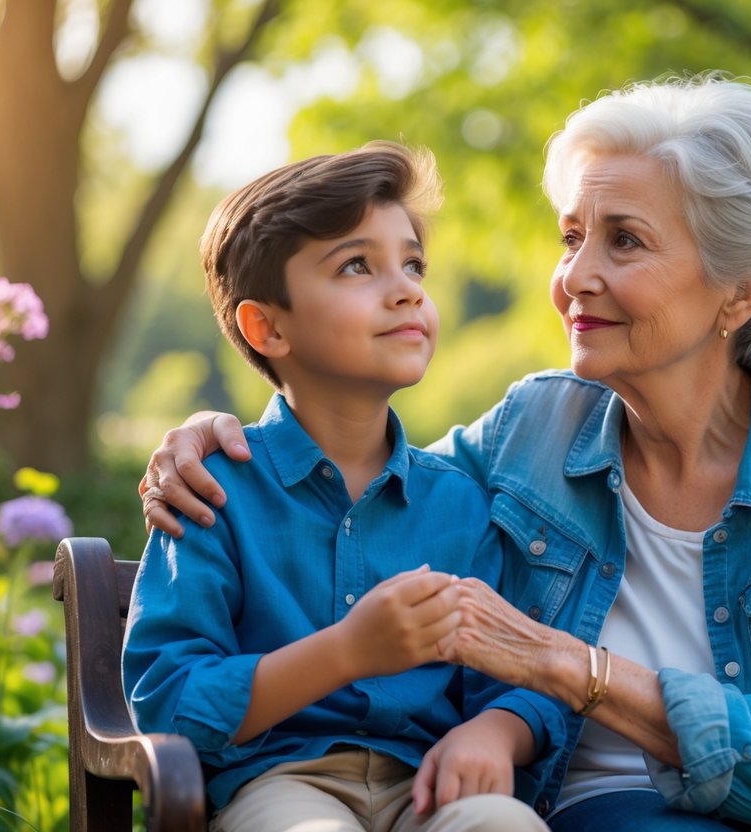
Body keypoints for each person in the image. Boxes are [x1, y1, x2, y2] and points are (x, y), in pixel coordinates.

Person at [139, 74, 751, 832]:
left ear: (740, 291)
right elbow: (348, 465)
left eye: (623, 242)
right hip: (610, 811)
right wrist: (208, 432)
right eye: (571, 237)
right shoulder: (536, 427)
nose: (574, 277)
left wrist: (560, 670)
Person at [123, 142, 561, 832]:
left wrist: (496, 730)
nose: (406, 288)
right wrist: (347, 652)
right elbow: (172, 701)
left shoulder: (460, 503)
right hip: (276, 785)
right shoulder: (212, 491)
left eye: (413, 263)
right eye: (357, 265)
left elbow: (521, 676)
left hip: (427, 786)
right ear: (266, 326)